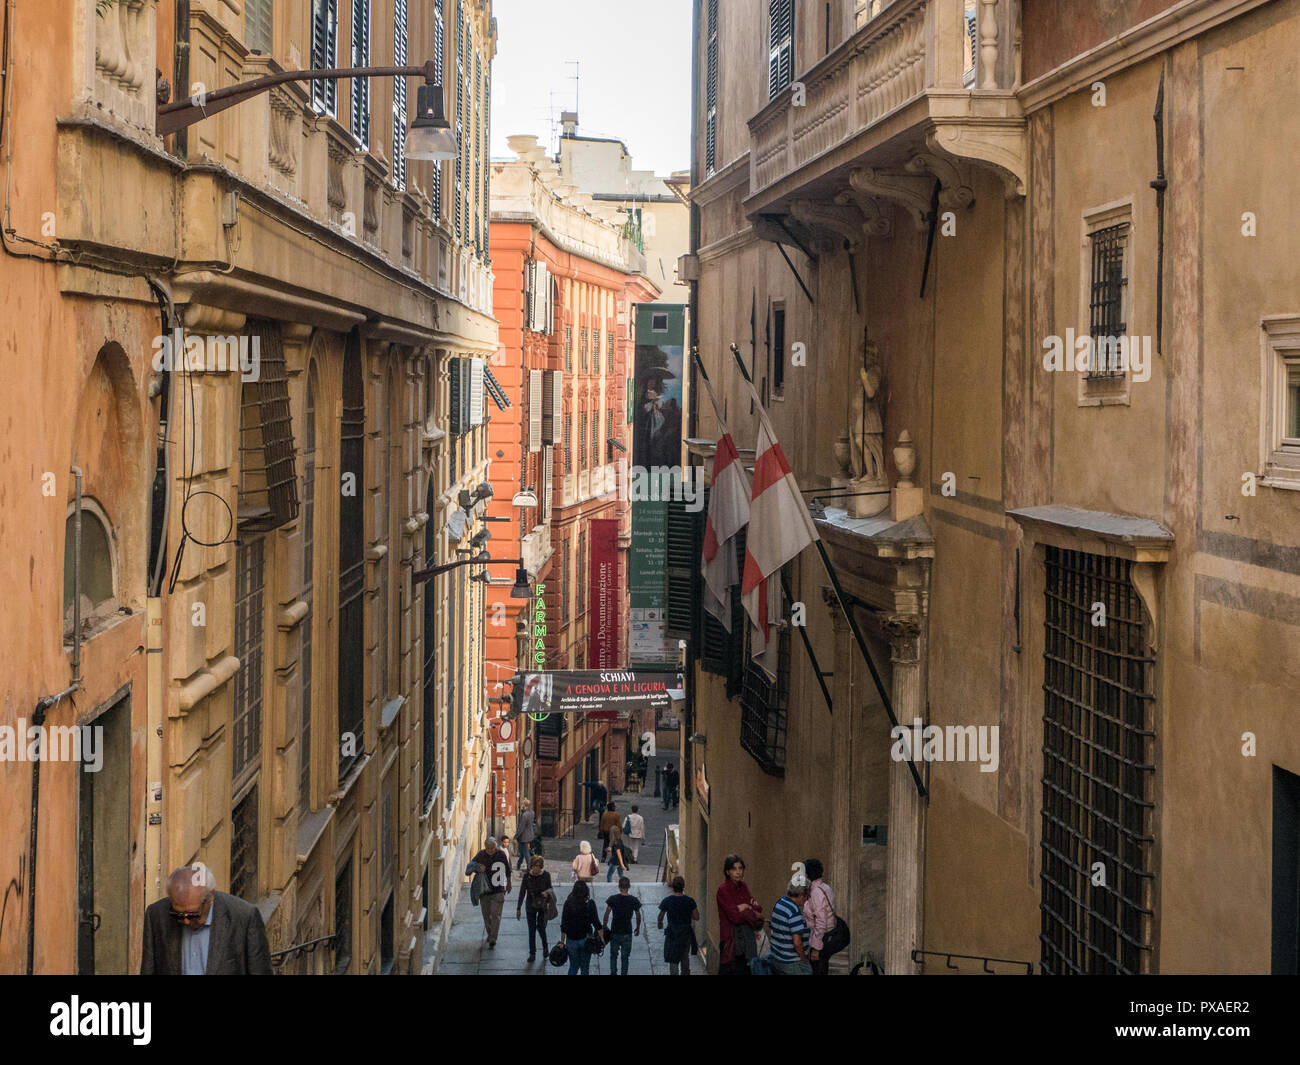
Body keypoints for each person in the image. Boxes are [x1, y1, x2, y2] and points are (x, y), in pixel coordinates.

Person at [141, 864, 272, 975]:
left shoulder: (244, 916)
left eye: (192, 915)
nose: (186, 921)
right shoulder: (156, 914)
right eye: (178, 915)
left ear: (209, 898)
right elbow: (148, 969)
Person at [715, 854, 763, 975]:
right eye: (734, 869)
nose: (738, 872)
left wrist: (745, 907)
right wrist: (748, 908)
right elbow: (735, 917)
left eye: (740, 868)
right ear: (727, 872)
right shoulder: (723, 889)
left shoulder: (743, 886)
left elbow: (758, 909)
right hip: (730, 941)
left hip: (746, 940)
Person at [768, 874, 814, 975]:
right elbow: (797, 942)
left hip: (776, 958)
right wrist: (803, 958)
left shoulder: (780, 902)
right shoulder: (794, 911)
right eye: (808, 896)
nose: (807, 899)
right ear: (802, 895)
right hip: (791, 963)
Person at [471, 836, 511, 948]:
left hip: (498, 890)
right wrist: (478, 867)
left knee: (495, 914)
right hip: (484, 891)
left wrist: (509, 883)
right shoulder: (481, 855)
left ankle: (493, 938)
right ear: (485, 848)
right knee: (486, 914)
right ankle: (490, 934)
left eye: (493, 848)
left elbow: (508, 870)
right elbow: (470, 867)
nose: (491, 851)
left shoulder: (501, 855)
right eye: (488, 848)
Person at [657, 876, 699, 975]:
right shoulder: (689, 901)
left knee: (673, 956)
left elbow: (660, 916)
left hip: (672, 933)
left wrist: (660, 924)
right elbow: (696, 917)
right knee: (684, 956)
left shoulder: (667, 900)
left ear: (673, 887)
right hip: (685, 933)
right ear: (683, 886)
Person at [515, 854, 554, 963]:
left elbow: (550, 888)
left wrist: (546, 893)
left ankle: (545, 947)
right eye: (534, 865)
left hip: (542, 905)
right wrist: (518, 908)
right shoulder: (527, 876)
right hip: (530, 905)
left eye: (538, 865)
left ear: (541, 866)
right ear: (531, 866)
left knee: (541, 927)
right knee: (531, 930)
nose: (536, 868)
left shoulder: (546, 875)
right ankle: (532, 953)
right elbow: (522, 892)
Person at [801, 858, 836, 976]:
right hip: (826, 936)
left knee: (818, 970)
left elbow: (821, 922)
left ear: (807, 874)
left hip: (821, 940)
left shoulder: (816, 892)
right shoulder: (825, 887)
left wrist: (816, 948)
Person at [559, 880, 602, 976]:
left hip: (571, 939)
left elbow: (564, 923)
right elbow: (597, 923)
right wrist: (602, 938)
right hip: (586, 939)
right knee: (585, 966)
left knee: (573, 966)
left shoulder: (568, 903)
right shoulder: (590, 904)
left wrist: (562, 941)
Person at [603, 876, 642, 976]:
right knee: (625, 957)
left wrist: (605, 925)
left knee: (613, 955)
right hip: (627, 932)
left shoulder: (613, 899)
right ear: (629, 886)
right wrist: (638, 927)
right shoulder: (633, 900)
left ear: (619, 886)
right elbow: (638, 915)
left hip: (615, 931)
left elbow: (607, 913)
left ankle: (613, 973)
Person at [514, 800, 536, 871]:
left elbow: (521, 827)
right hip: (530, 835)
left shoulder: (524, 815)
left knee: (525, 853)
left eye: (522, 804)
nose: (521, 806)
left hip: (523, 836)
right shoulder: (532, 812)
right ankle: (518, 865)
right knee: (522, 852)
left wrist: (516, 836)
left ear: (525, 806)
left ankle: (529, 867)